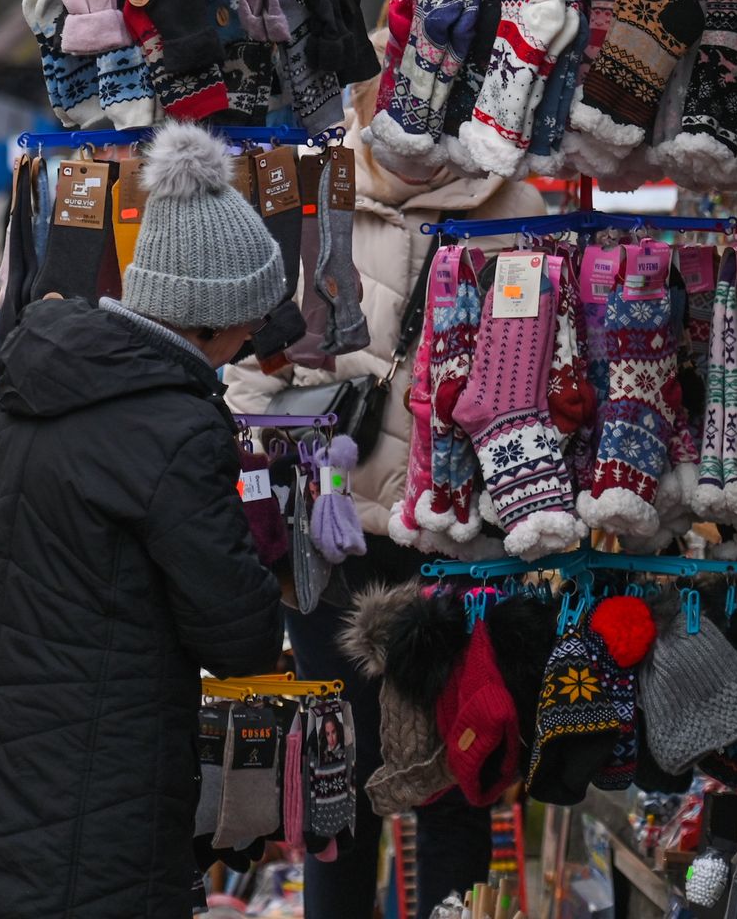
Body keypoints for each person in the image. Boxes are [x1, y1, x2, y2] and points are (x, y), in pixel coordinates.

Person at [0, 122, 286, 919]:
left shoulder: (13, 387)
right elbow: (239, 637)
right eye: (253, 313)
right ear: (213, 312)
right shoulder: (181, 431)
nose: (260, 332)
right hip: (110, 767)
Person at [224, 74, 546, 919]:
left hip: (463, 534)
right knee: (344, 770)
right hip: (333, 535)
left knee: (457, 763)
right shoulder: (312, 188)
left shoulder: (517, 204)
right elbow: (251, 375)